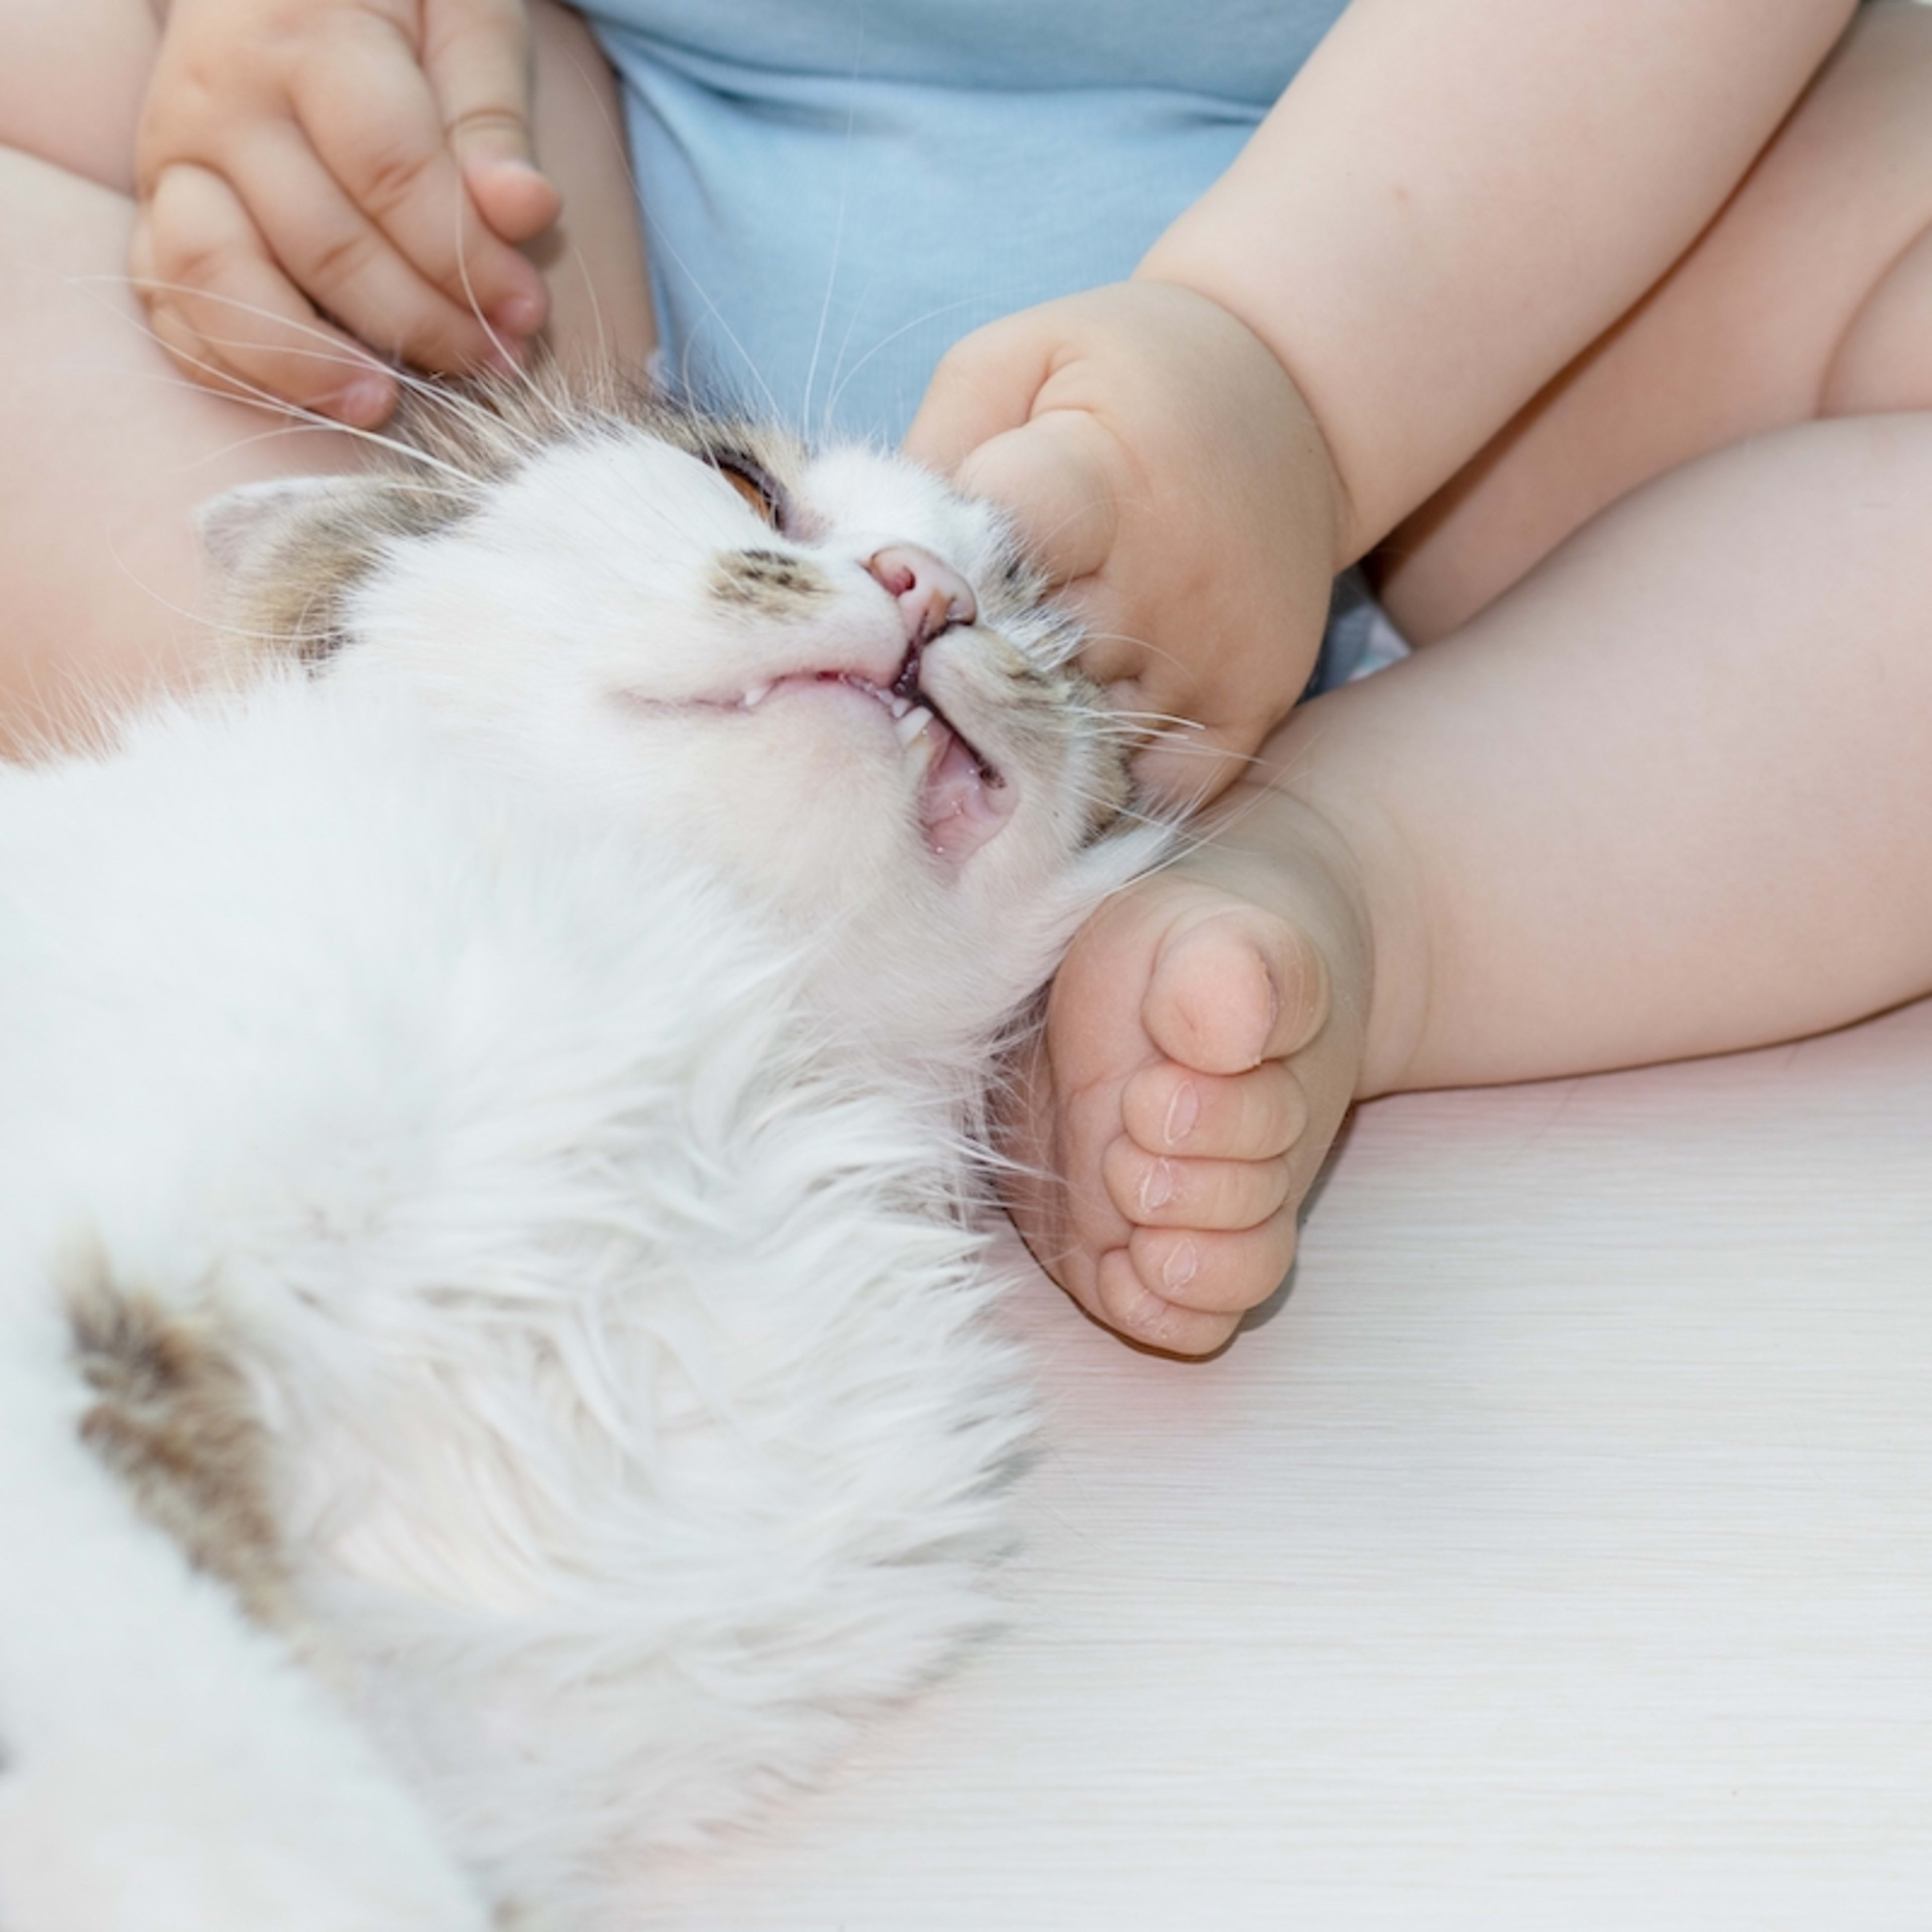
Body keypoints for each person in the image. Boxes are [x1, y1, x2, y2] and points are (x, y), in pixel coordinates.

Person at [6, 0, 1931, 1356]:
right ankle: (393, 710)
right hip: (566, 192)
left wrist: (1296, 375)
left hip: (1513, 221)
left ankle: (1349, 870)